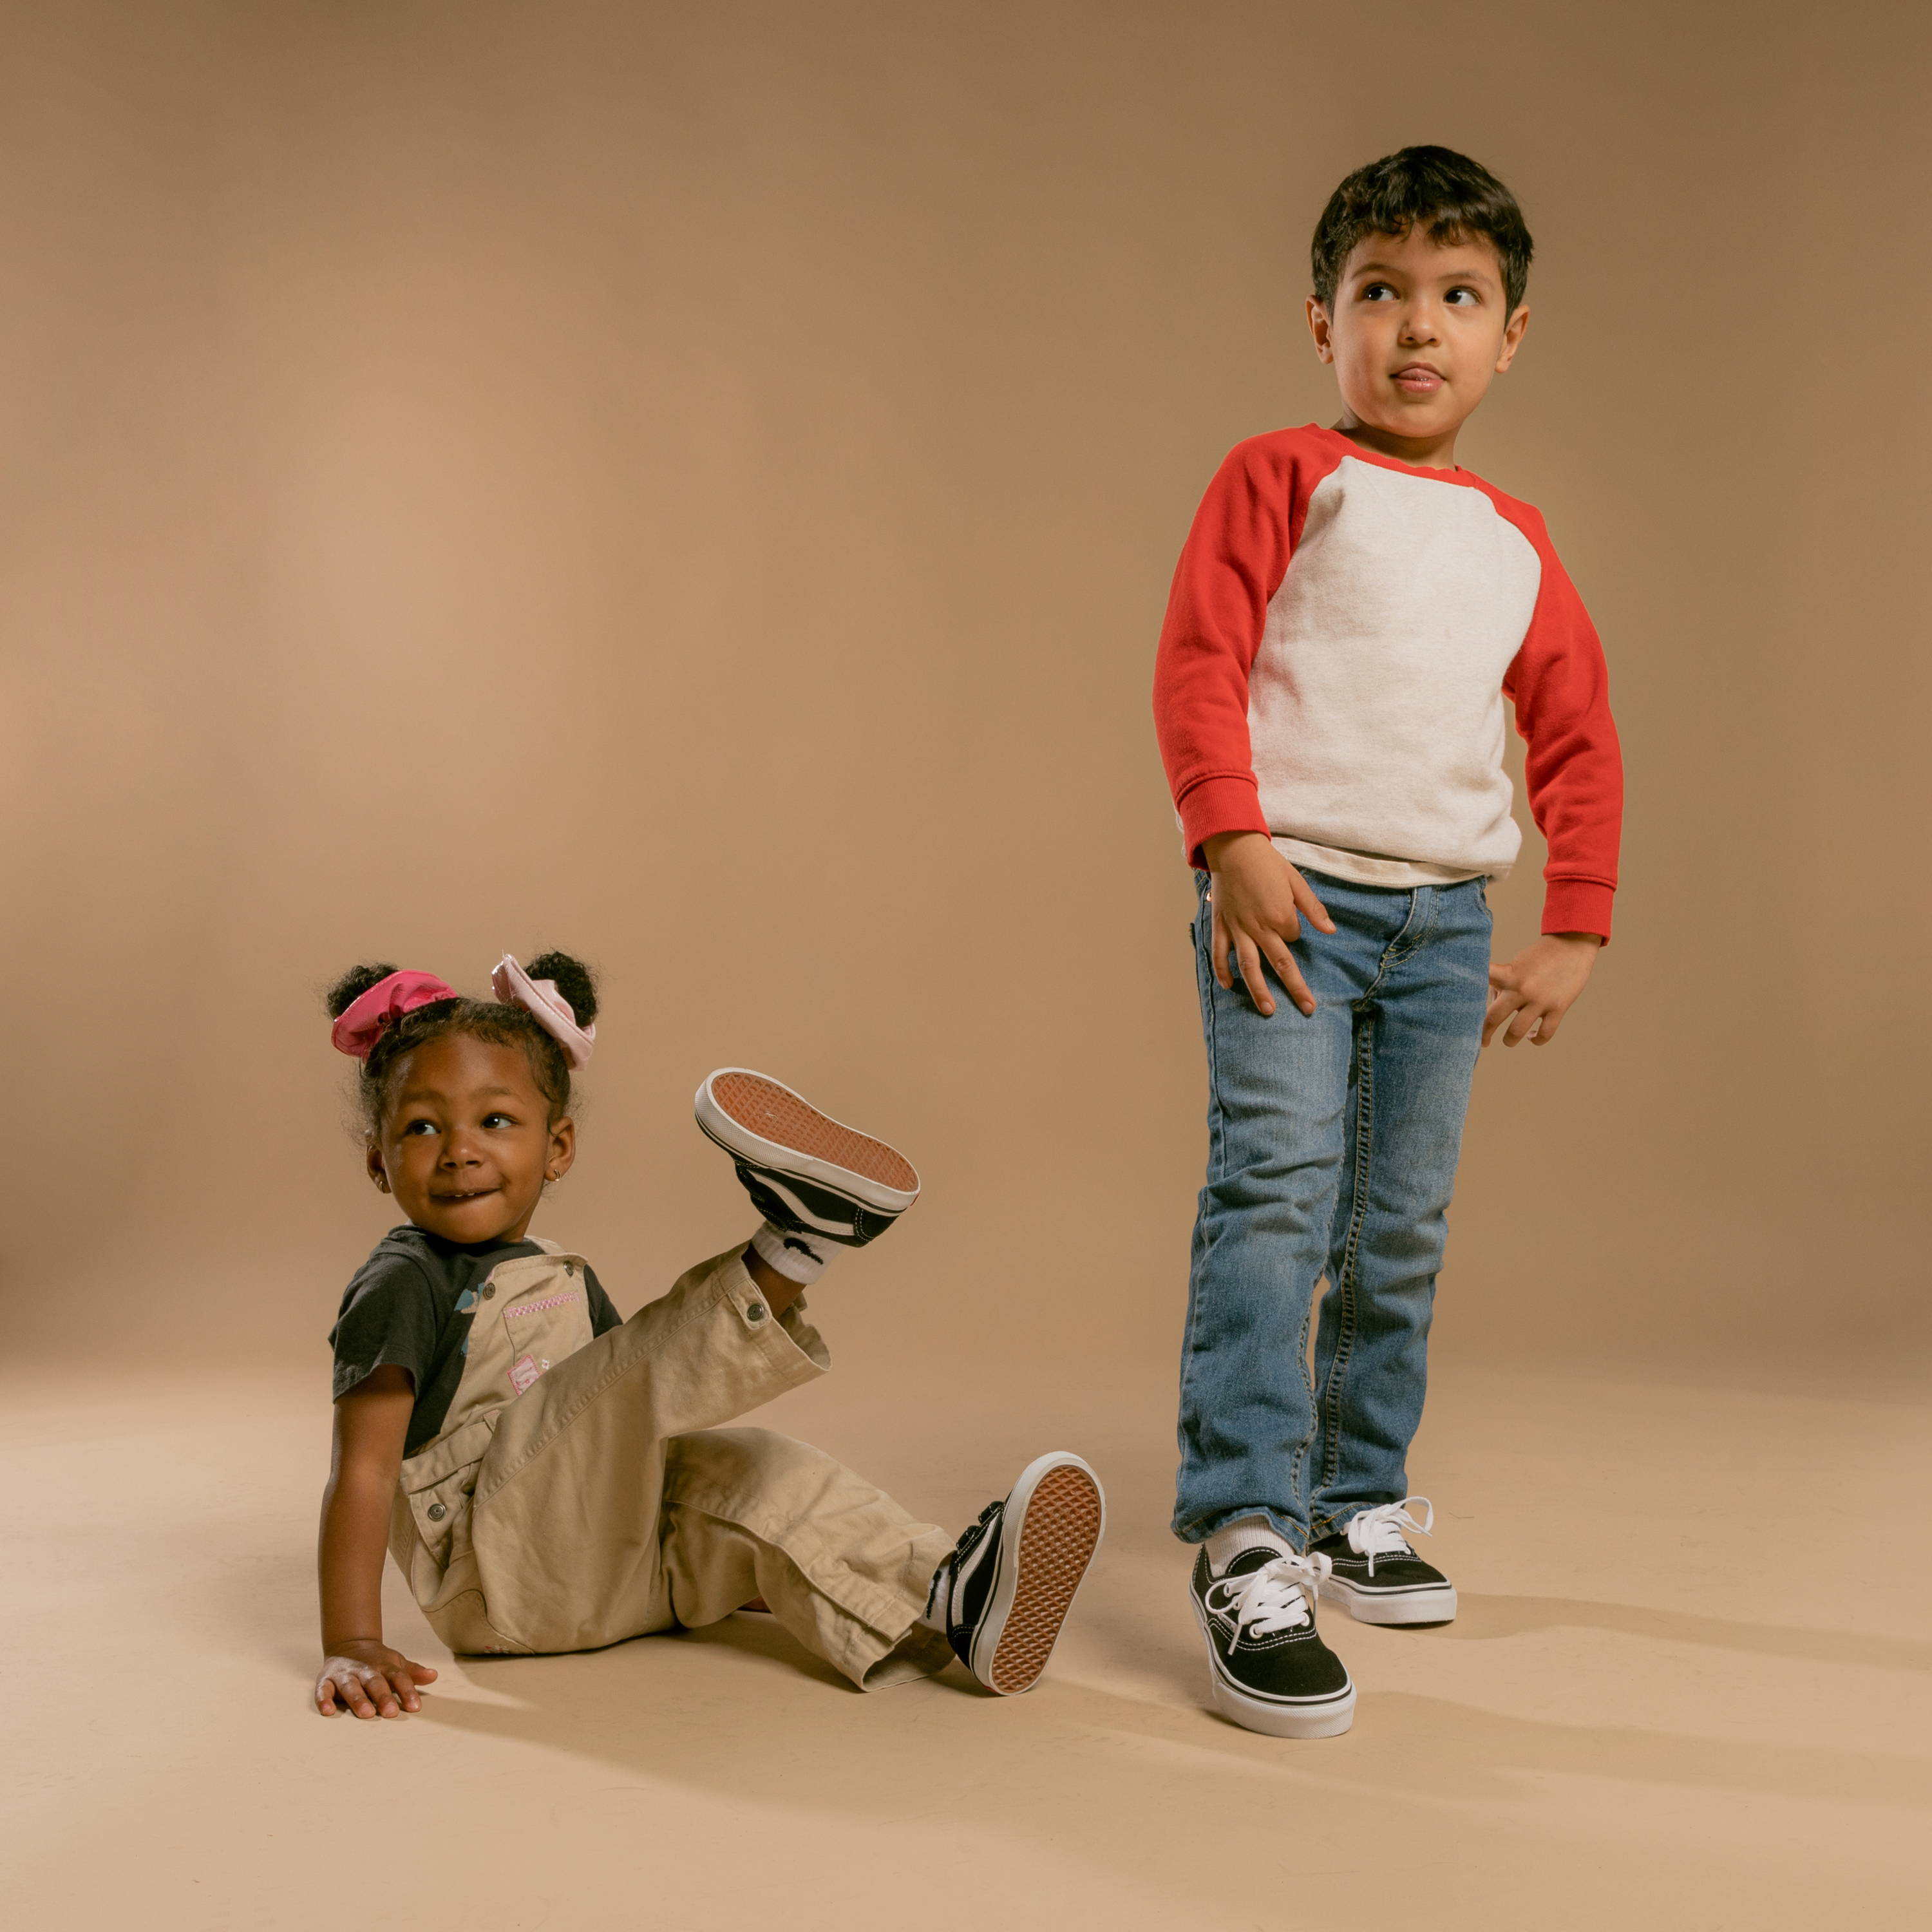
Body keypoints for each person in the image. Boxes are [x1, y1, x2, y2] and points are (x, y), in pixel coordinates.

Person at [1151, 146, 1622, 1738]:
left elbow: (1575, 738)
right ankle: (1240, 1529)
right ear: (1320, 319)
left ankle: (1359, 1494)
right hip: (1286, 902)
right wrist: (1230, 840)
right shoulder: (1284, 475)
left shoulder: (1513, 539)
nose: (1415, 328)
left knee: (1398, 1218)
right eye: (1379, 294)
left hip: (1440, 924)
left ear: (1510, 334)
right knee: (1275, 1192)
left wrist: (1572, 924)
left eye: (1454, 297)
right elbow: (1198, 665)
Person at [313, 951, 1104, 1718]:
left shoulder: (563, 1276)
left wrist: (765, 1550)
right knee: (621, 1388)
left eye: (495, 1120)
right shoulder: (404, 1283)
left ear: (557, 1148)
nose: (458, 1151)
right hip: (497, 1581)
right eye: (420, 1128)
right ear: (379, 1160)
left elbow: (630, 1452)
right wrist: (350, 1638)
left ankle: (948, 1599)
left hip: (613, 1577)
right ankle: (799, 1246)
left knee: (755, 1466)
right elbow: (366, 1471)